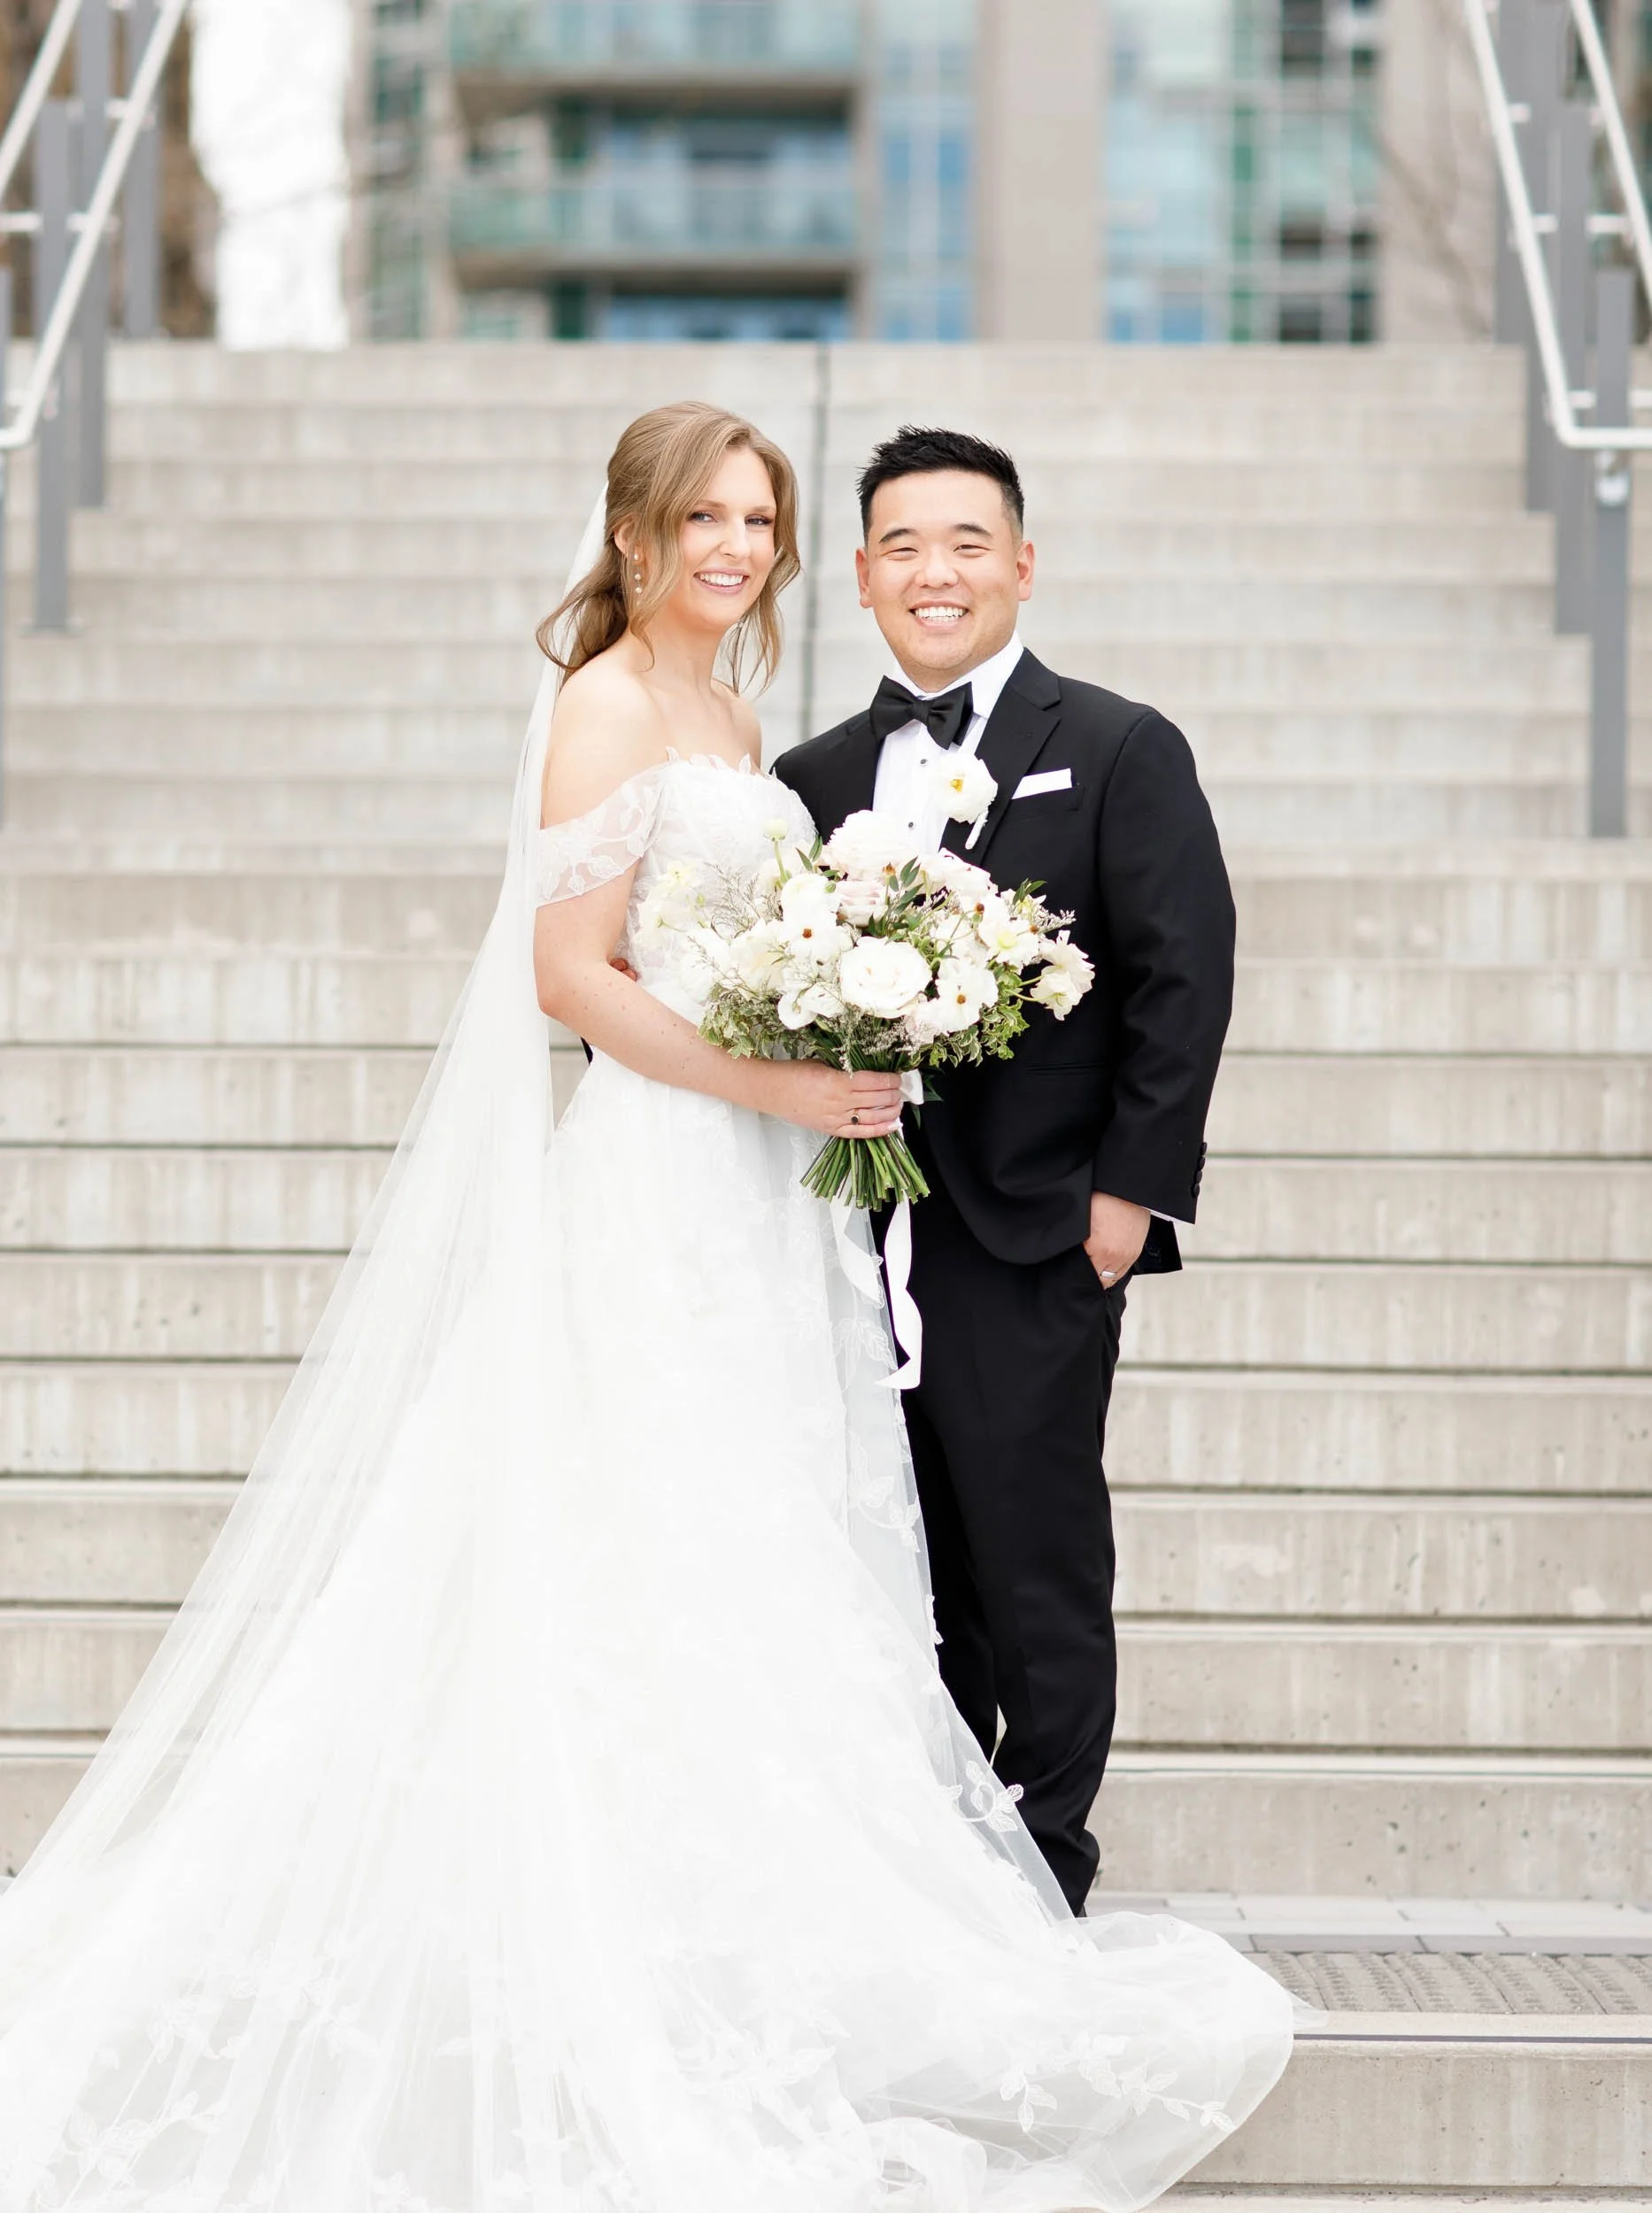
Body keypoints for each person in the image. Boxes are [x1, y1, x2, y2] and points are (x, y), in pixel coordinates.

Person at [0, 402, 1287, 2210]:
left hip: (785, 1212)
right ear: (635, 532)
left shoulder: (760, 731)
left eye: (759, 516)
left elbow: (1135, 964)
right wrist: (776, 1089)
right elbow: (564, 971)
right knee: (640, 1541)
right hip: (667, 1182)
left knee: (773, 1554)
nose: (736, 546)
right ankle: (616, 1928)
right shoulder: (609, 702)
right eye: (709, 517)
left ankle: (834, 1905)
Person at [775, 426, 1236, 1916]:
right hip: (842, 1238)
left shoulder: (1113, 745)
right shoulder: (807, 777)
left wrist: (1124, 1200)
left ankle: (1044, 1868)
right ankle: (917, 1862)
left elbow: (1182, 975)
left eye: (966, 542)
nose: (935, 571)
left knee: (1029, 1557)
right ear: (859, 576)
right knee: (897, 1564)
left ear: (1020, 563)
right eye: (902, 545)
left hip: (1033, 1228)